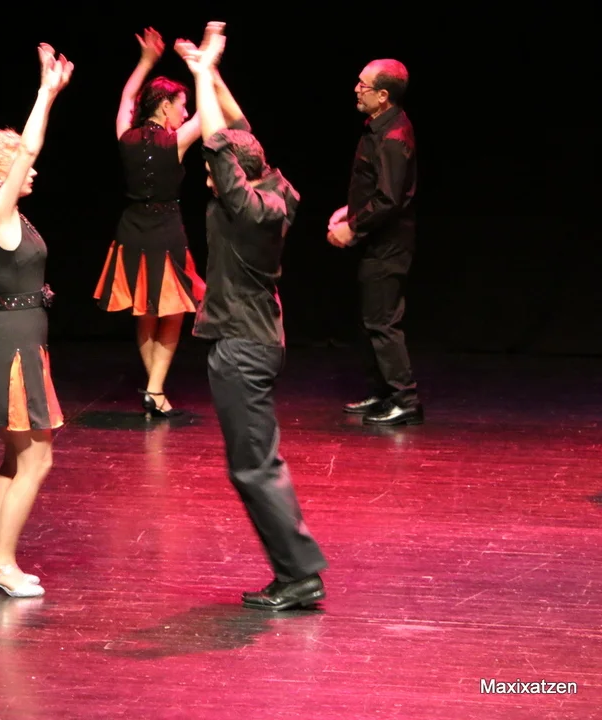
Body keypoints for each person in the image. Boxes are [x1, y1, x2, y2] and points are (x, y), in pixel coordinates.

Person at [177, 25, 328, 611]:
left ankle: (299, 574)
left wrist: (199, 72)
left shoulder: (242, 210)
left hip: (241, 346)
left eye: (213, 176)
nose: (208, 182)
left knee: (253, 467)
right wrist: (212, 71)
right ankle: (297, 572)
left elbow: (220, 142)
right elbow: (236, 131)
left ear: (232, 177)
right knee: (254, 462)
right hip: (259, 339)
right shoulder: (277, 191)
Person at [0, 43, 74, 598]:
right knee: (38, 458)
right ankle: (2, 562)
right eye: (20, 165)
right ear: (1, 174)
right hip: (15, 344)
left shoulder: (10, 217)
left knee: (16, 457)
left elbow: (27, 153)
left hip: (20, 339)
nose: (33, 169)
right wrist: (46, 92)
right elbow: (29, 147)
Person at [92, 27, 206, 418]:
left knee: (144, 309)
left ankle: (154, 391)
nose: (185, 113)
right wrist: (201, 66)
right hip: (166, 229)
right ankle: (155, 390)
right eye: (181, 105)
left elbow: (127, 99)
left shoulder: (126, 136)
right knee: (171, 311)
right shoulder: (176, 141)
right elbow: (208, 115)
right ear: (164, 106)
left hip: (131, 229)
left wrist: (144, 62)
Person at [326, 58, 422, 426]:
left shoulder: (394, 137)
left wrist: (353, 227)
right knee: (370, 321)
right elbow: (376, 188)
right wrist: (349, 212)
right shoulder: (379, 127)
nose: (356, 89)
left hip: (389, 245)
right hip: (377, 241)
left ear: (383, 95)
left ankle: (405, 399)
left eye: (363, 85)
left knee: (383, 323)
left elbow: (389, 199)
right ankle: (382, 393)